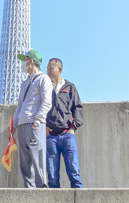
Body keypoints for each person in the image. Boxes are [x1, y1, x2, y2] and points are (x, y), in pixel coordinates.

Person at [12, 49, 52, 189]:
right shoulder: (24, 83)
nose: (23, 63)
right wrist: (14, 126)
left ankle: (42, 189)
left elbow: (47, 101)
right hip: (22, 124)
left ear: (32, 61)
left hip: (34, 124)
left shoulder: (43, 79)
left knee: (37, 158)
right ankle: (29, 190)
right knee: (25, 161)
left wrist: (38, 120)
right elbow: (19, 105)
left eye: (25, 59)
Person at [45, 57, 84, 188]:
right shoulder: (45, 87)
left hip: (67, 135)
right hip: (50, 137)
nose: (48, 71)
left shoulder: (70, 87)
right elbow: (39, 107)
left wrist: (73, 128)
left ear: (59, 69)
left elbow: (78, 108)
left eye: (51, 68)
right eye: (47, 68)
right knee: (52, 176)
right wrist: (44, 126)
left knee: (74, 173)